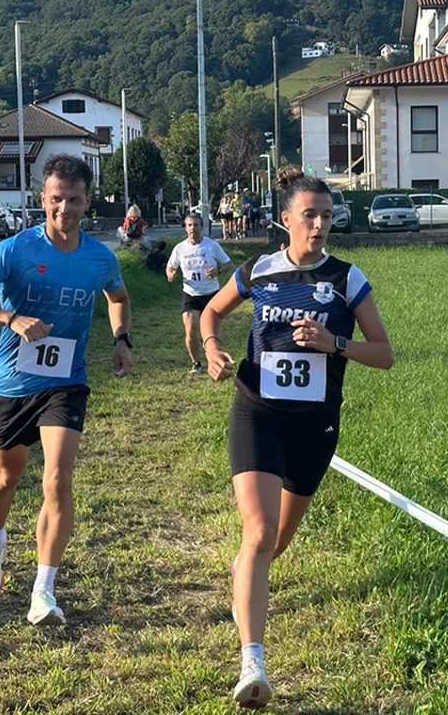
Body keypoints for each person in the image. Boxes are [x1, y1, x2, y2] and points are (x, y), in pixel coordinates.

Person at [200, 165, 395, 708]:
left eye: (327, 216)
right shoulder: (259, 270)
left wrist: (335, 344)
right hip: (257, 412)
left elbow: (385, 354)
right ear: (286, 220)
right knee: (259, 531)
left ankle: (244, 576)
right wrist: (212, 349)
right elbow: (211, 312)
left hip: (315, 425)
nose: (320, 225)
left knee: (275, 543)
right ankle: (252, 664)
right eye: (309, 215)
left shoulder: (347, 279)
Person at [0, 154, 135, 626]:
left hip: (66, 382)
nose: (64, 208)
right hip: (12, 383)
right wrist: (8, 318)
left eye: (74, 200)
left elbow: (117, 297)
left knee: (57, 478)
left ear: (87, 202)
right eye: (56, 199)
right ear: (42, 199)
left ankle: (43, 592)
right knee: (6, 477)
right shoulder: (15, 250)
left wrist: (121, 339)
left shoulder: (100, 258)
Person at [167, 213, 233, 374]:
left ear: (202, 227)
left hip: (211, 293)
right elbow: (170, 267)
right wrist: (171, 274)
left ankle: (214, 359)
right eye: (189, 225)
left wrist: (217, 270)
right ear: (185, 228)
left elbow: (228, 264)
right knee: (191, 329)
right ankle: (196, 363)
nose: (193, 228)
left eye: (196, 225)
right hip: (191, 293)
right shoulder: (180, 248)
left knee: (210, 332)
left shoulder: (211, 245)